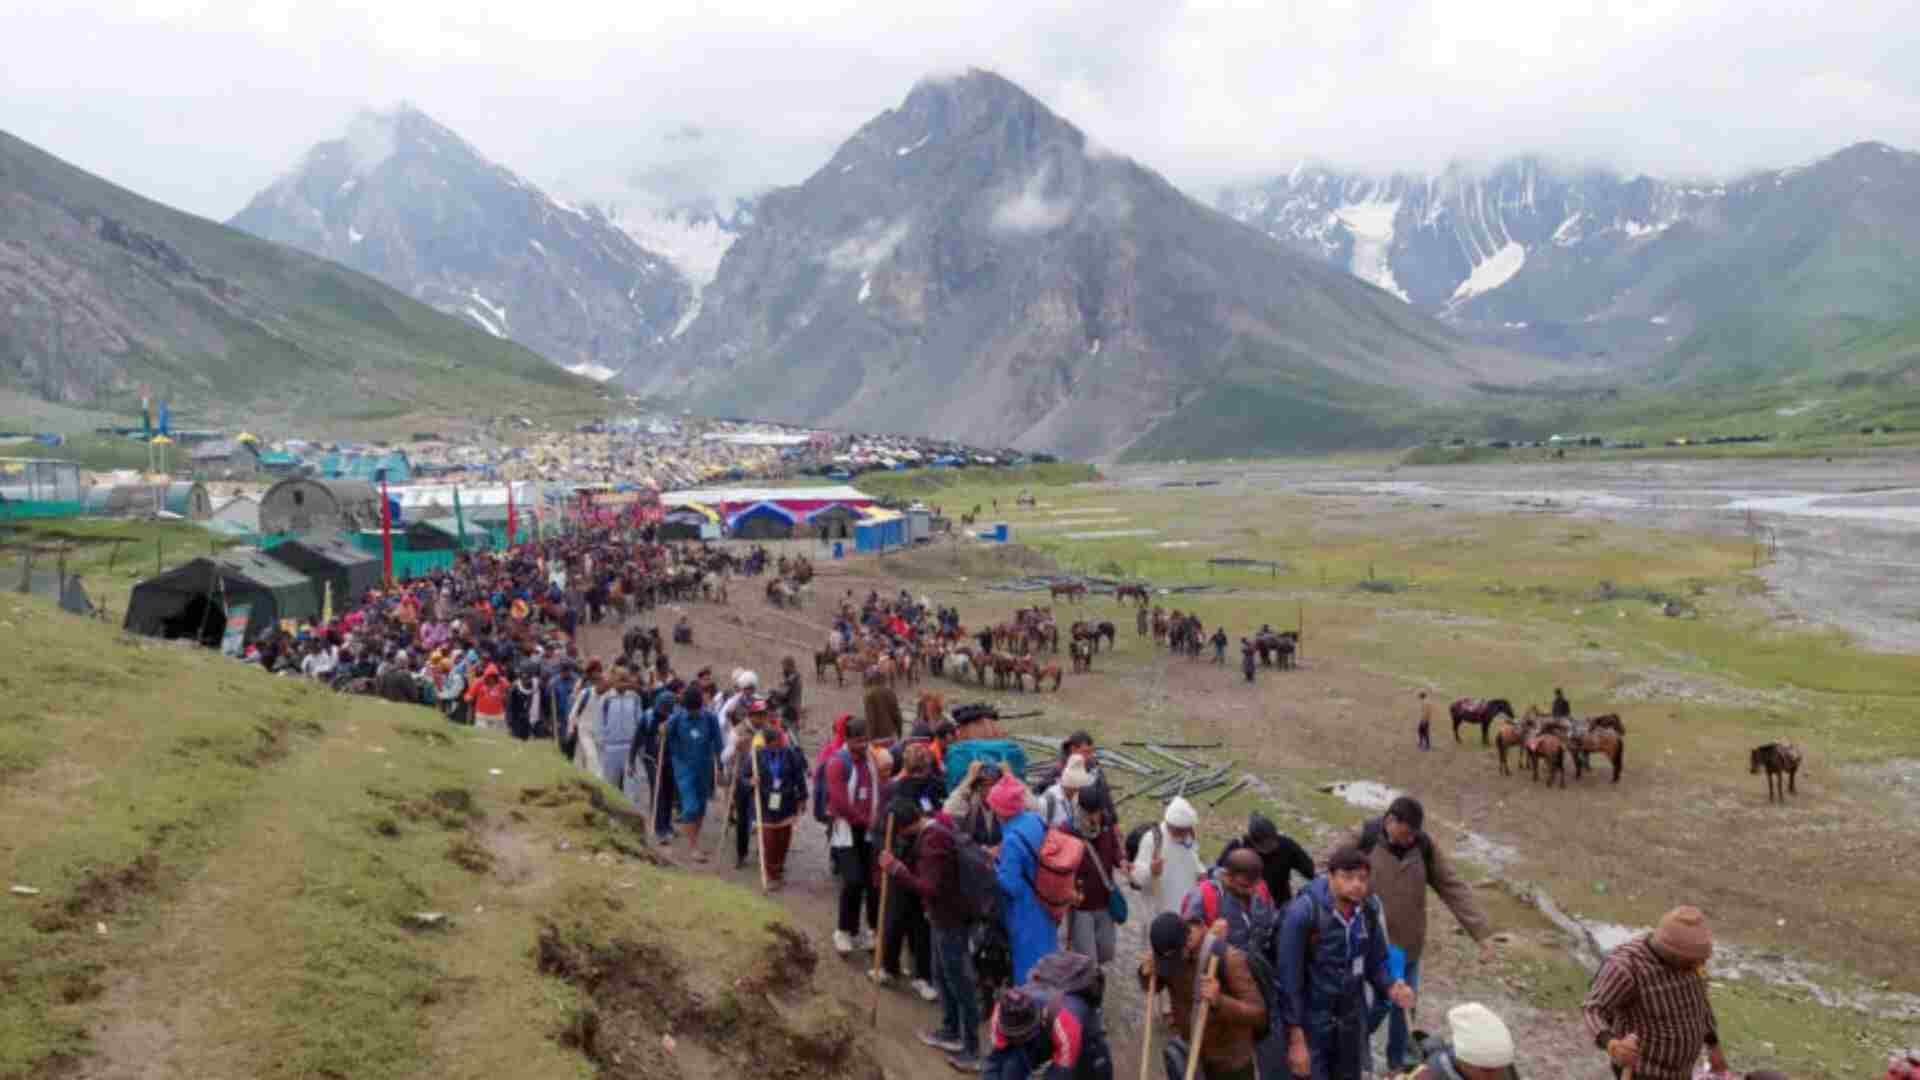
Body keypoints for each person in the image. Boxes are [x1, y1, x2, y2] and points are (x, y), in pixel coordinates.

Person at [1337, 796, 1494, 1075]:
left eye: (1414, 834)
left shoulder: (1423, 846)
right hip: (1369, 944)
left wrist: (1480, 933)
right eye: (1406, 833)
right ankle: (1351, 1044)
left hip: (1408, 945)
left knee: (1405, 1007)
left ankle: (1397, 1063)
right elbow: (1329, 870)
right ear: (1389, 821)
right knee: (1377, 1003)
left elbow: (1451, 886)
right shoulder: (1365, 838)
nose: (1410, 839)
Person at [1277, 844, 1413, 1080]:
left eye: (1362, 878)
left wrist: (1391, 986)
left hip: (1350, 1022)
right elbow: (1289, 983)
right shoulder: (1303, 914)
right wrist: (1296, 1040)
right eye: (1347, 877)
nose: (1357, 885)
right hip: (1312, 1025)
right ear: (1330, 876)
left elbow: (1375, 964)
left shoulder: (1367, 912)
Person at [880, 793, 987, 1071]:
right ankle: (951, 1031)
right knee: (942, 975)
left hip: (950, 919)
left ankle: (972, 1049)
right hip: (944, 917)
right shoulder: (938, 824)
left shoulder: (932, 842)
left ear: (903, 827)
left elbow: (929, 887)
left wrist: (897, 869)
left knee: (960, 980)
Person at [1583, 906, 1729, 1080]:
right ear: (1672, 954)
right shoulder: (1627, 967)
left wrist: (1713, 1046)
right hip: (1643, 1073)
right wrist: (1614, 1046)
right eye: (1691, 962)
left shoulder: (1691, 966)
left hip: (1682, 1073)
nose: (1698, 966)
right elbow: (1593, 1009)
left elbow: (1700, 1004)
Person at [1140, 909, 1267, 1080]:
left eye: (1175, 959)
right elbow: (1152, 988)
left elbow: (1259, 1014)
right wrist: (1145, 973)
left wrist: (1219, 1001)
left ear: (1188, 941)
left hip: (1230, 1062)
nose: (1172, 966)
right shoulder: (1169, 953)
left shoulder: (1228, 958)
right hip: (1193, 1056)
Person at [982, 951, 1114, 1080]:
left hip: (1079, 1030)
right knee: (1010, 1067)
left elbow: (1062, 1072)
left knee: (1094, 1071)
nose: (1018, 1040)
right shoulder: (1000, 1012)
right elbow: (994, 1061)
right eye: (1014, 1037)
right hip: (1045, 1026)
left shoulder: (1066, 1022)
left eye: (1021, 1036)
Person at [990, 772, 1058, 985]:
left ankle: (1031, 1012)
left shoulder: (1011, 840)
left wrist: (992, 865)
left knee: (1028, 969)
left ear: (1001, 811)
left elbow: (1010, 885)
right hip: (1046, 900)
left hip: (1025, 911)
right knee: (1047, 960)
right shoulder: (1035, 820)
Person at [826, 718, 881, 955]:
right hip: (846, 830)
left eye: (865, 739)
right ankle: (844, 931)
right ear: (847, 740)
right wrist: (865, 820)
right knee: (853, 881)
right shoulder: (837, 763)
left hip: (869, 829)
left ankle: (871, 930)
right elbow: (840, 802)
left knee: (872, 882)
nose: (863, 744)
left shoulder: (870, 759)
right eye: (858, 740)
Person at [1059, 774, 1122, 967]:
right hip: (1081, 906)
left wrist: (1122, 861)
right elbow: (1060, 867)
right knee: (1088, 960)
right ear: (1082, 810)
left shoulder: (1106, 824)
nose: (1096, 817)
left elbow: (1115, 850)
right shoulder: (1066, 831)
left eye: (1098, 811)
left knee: (1107, 950)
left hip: (1104, 901)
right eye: (1092, 813)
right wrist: (1068, 892)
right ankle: (1089, 989)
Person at [747, 706, 808, 889]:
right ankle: (770, 873)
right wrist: (750, 780)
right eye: (775, 742)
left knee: (783, 840)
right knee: (769, 841)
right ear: (768, 743)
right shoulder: (757, 756)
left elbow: (799, 777)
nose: (779, 744)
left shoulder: (790, 755)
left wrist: (803, 798)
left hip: (786, 803)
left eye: (780, 741)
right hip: (765, 803)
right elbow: (744, 776)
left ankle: (778, 867)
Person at [667, 685, 722, 861]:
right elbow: (669, 739)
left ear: (701, 707)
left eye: (696, 710)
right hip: (684, 768)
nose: (692, 714)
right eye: (689, 711)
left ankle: (695, 840)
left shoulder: (711, 719)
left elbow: (718, 743)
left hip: (704, 767)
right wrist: (676, 756)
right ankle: (693, 848)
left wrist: (720, 767)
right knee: (690, 806)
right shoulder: (676, 719)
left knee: (701, 806)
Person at [1214, 812, 1315, 907]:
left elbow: (1310, 871)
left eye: (1273, 843)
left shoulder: (1286, 845)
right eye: (1266, 846)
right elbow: (1217, 874)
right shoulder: (1238, 846)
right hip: (1243, 905)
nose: (1271, 847)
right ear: (1253, 841)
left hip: (1279, 904)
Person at [1130, 797, 1205, 921]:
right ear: (1171, 826)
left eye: (1187, 830)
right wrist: (1151, 871)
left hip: (1184, 912)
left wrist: (1201, 873)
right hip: (1158, 913)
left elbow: (1193, 861)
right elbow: (1136, 878)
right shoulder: (1153, 840)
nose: (1185, 834)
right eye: (1181, 831)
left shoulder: (1189, 838)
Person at [1405, 1003, 1517, 1080]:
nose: (1495, 1078)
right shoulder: (1428, 1076)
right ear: (1463, 1060)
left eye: (1501, 1069)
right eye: (1487, 1071)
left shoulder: (1498, 1064)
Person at [596, 673, 644, 799]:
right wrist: (602, 745)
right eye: (619, 681)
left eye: (625, 681)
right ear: (614, 682)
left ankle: (631, 813)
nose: (622, 684)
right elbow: (600, 723)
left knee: (631, 787)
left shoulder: (635, 698)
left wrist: (640, 745)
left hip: (630, 747)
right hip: (611, 747)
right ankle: (612, 816)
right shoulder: (606, 699)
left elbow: (640, 722)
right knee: (610, 785)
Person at [464, 663, 509, 729]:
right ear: (486, 676)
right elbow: (469, 695)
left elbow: (510, 693)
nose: (491, 679)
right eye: (489, 676)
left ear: (496, 677)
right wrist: (468, 698)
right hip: (482, 715)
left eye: (493, 677)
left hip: (498, 716)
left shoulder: (503, 682)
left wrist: (506, 697)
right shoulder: (479, 682)